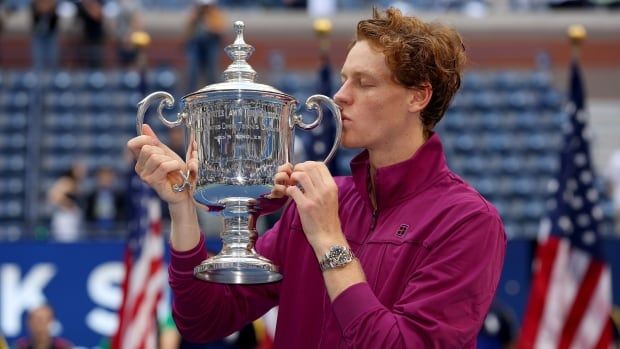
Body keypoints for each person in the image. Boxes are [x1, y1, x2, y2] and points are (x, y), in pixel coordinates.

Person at [127, 7, 506, 348]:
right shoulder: (319, 203)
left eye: (365, 83)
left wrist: (328, 239)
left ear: (418, 97)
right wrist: (181, 207)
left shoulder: (468, 220)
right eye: (343, 80)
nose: (340, 95)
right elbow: (203, 320)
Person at [184, 0, 227, 91]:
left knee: (211, 71)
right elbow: (188, 31)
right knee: (193, 71)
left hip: (211, 44)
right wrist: (196, 17)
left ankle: (213, 93)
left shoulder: (216, 14)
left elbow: (219, 29)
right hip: (196, 45)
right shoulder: (194, 14)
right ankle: (190, 93)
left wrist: (208, 23)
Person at [47, 163, 86, 242]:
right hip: (65, 217)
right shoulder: (66, 181)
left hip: (73, 217)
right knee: (65, 242)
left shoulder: (76, 183)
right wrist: (68, 204)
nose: (82, 174)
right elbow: (52, 196)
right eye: (79, 171)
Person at [84, 166, 126, 237]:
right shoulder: (91, 196)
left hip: (114, 230)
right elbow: (87, 215)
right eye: (102, 177)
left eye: (107, 177)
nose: (105, 180)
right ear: (98, 179)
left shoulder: (119, 196)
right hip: (95, 231)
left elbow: (122, 214)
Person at [30, 0, 60, 72]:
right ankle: (38, 81)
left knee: (53, 59)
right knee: (38, 61)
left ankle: (54, 81)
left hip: (51, 34)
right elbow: (40, 9)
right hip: (38, 34)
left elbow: (51, 7)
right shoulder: (34, 3)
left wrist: (48, 5)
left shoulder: (55, 3)